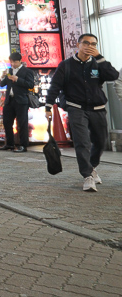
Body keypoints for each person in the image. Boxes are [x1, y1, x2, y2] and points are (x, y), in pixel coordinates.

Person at [45, 34, 119, 192]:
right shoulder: (66, 65)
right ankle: (87, 175)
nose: (89, 46)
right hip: (76, 108)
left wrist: (99, 56)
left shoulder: (98, 63)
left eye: (93, 44)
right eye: (86, 43)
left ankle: (92, 166)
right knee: (82, 142)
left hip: (98, 109)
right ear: (78, 45)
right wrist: (48, 106)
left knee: (100, 142)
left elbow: (113, 75)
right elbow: (55, 86)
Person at [0, 52, 36, 152]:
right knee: (7, 122)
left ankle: (23, 145)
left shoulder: (27, 71)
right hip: (9, 100)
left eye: (15, 62)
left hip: (21, 101)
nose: (13, 64)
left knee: (22, 123)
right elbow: (2, 84)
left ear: (20, 61)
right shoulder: (9, 71)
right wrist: (3, 76)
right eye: (11, 62)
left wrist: (18, 79)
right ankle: (10, 144)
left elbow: (30, 85)